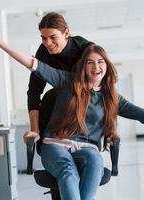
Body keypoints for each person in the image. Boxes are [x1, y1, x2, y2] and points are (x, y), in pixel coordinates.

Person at [0, 18, 144, 200]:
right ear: (82, 66)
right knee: (69, 173)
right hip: (55, 144)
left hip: (87, 148)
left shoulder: (111, 97)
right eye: (90, 63)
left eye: (101, 62)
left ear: (107, 66)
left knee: (95, 160)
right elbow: (32, 64)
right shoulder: (66, 81)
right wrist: (0, 43)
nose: (96, 67)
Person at [25, 12, 94, 142]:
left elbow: (104, 86)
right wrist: (35, 129)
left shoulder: (86, 48)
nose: (48, 43)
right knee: (52, 96)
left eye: (53, 37)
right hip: (62, 101)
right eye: (43, 38)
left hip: (86, 101)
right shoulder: (43, 52)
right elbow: (34, 92)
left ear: (66, 33)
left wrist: (112, 129)